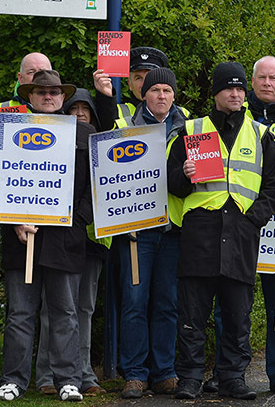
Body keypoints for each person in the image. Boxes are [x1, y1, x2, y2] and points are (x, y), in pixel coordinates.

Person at [167, 62, 275, 400]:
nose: (235, 94)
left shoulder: (261, 135)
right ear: (216, 93)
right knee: (192, 315)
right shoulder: (191, 131)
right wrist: (185, 174)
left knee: (237, 315)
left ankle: (232, 377)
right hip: (200, 233)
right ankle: (189, 378)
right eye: (227, 89)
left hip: (241, 234)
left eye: (239, 89)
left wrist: (253, 220)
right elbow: (171, 183)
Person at [206, 55, 275, 395]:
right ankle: (225, 372)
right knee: (227, 305)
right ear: (251, 83)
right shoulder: (231, 116)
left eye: (273, 78)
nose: (267, 83)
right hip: (236, 228)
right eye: (261, 78)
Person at [0, 70, 94, 402]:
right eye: (41, 92)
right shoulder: (8, 132)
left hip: (64, 242)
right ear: (29, 97)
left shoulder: (85, 134)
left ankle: (69, 380)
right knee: (19, 314)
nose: (48, 96)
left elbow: (95, 190)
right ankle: (13, 381)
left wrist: (74, 219)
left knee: (65, 314)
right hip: (21, 240)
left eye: (54, 92)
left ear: (63, 98)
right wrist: (14, 222)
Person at [102, 67, 190, 398]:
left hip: (172, 231)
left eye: (167, 90)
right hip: (136, 232)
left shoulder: (189, 129)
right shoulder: (126, 128)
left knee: (167, 302)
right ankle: (135, 374)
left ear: (174, 95)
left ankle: (164, 372)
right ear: (144, 95)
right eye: (155, 91)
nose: (162, 96)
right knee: (134, 302)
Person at [34, 88, 109, 397]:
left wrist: (80, 216)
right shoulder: (57, 142)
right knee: (53, 310)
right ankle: (47, 376)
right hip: (60, 240)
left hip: (91, 241)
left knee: (84, 310)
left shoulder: (97, 143)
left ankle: (84, 373)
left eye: (85, 109)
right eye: (73, 108)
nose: (79, 113)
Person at [93, 46, 168, 130]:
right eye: (138, 78)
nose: (144, 84)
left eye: (149, 77)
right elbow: (106, 127)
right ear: (129, 84)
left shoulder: (181, 114)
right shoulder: (118, 112)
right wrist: (105, 97)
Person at [0, 52, 52, 116]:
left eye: (43, 72)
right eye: (31, 72)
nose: (38, 76)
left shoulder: (62, 110)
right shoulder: (1, 111)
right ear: (21, 78)